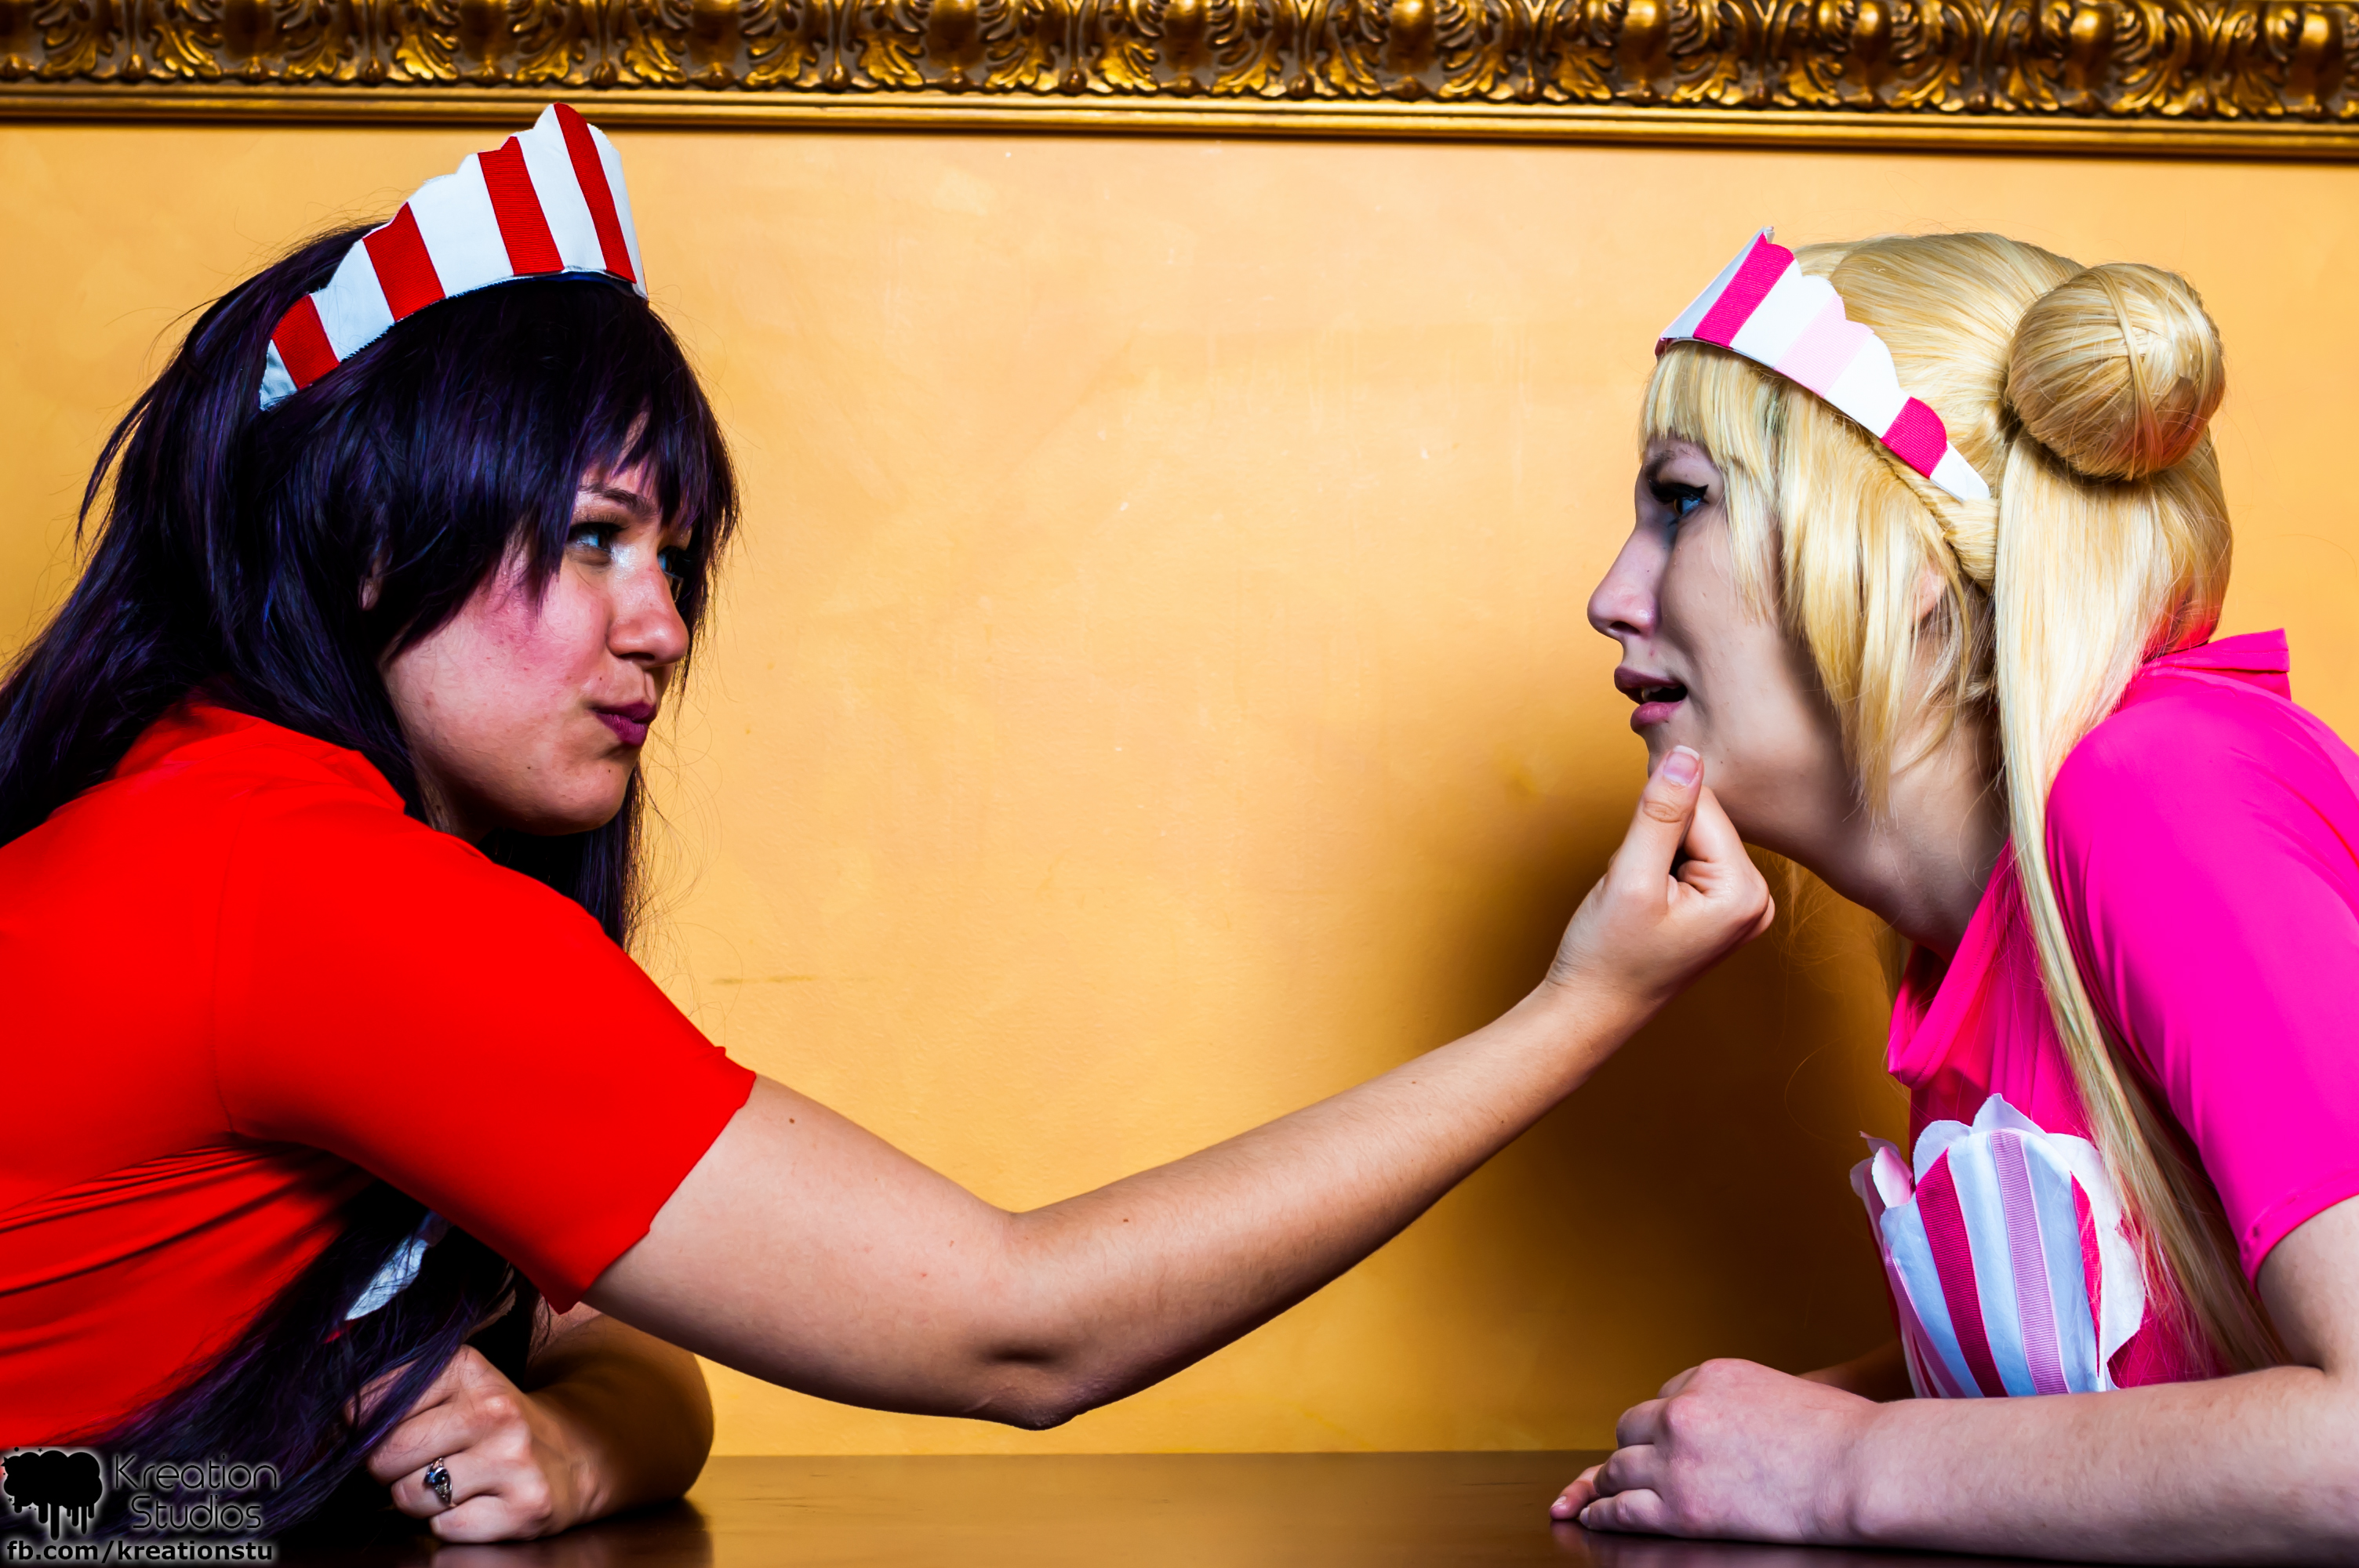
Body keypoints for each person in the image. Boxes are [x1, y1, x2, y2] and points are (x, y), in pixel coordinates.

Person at [0, 106, 1773, 1543]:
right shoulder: (311, 893)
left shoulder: (202, 812)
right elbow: (1019, 1325)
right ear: (376, 535)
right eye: (598, 536)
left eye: (676, 558)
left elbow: (616, 1341)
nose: (664, 626)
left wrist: (585, 1445)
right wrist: (1581, 1008)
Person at [1555, 227, 2359, 1561]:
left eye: (1684, 501)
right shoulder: (1968, 944)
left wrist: (1845, 1466)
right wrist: (1781, 1429)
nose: (1610, 596)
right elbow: (2173, 1358)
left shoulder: (2159, 794)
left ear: (1911, 565)